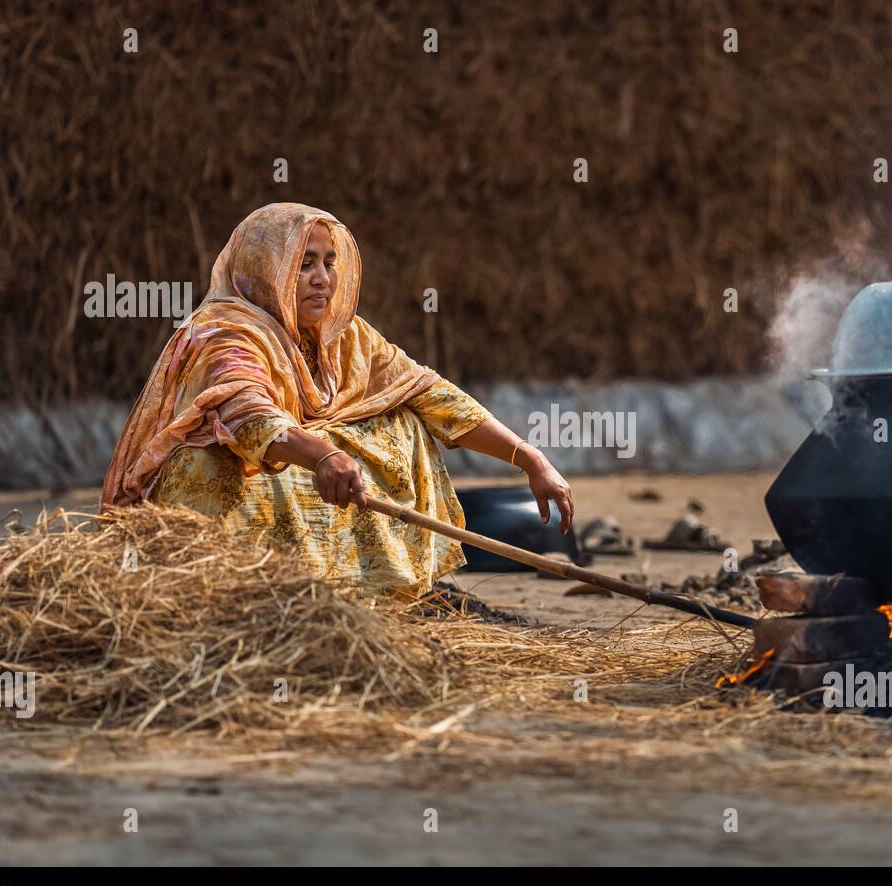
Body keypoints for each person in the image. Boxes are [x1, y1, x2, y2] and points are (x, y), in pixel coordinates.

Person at [101, 202, 573, 598]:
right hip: (211, 514)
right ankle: (253, 594)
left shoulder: (343, 340)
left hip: (303, 476)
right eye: (304, 263)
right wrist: (324, 455)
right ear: (264, 269)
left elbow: (433, 395)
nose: (322, 278)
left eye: (329, 263)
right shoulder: (222, 333)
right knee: (211, 462)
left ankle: (373, 588)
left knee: (402, 415)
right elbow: (247, 414)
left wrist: (528, 457)